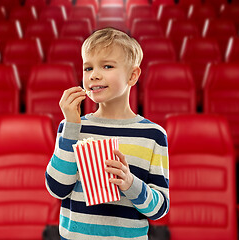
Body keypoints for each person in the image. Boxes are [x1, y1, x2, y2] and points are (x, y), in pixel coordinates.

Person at [45, 28, 169, 240]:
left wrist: (130, 182)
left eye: (107, 66)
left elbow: (160, 209)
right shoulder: (72, 127)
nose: (93, 74)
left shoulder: (153, 135)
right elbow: (57, 188)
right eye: (87, 68)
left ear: (132, 75)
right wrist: (72, 126)